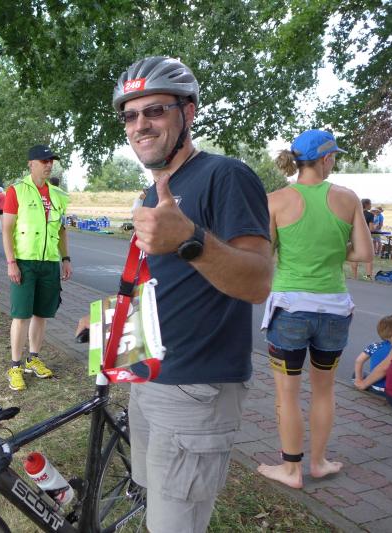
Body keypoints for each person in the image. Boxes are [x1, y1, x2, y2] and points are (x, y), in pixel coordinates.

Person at [113, 56, 274, 533]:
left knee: (174, 523)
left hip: (196, 389)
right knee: (153, 500)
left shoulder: (226, 176)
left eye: (155, 110)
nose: (140, 124)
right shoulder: (154, 192)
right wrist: (110, 319)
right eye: (130, 115)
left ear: (188, 112)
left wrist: (190, 240)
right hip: (150, 374)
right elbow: (162, 282)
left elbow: (259, 281)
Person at [256, 129, 373, 490]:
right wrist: (334, 252)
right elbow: (364, 253)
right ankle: (319, 463)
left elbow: (264, 254)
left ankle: (291, 470)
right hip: (335, 309)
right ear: (325, 159)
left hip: (289, 308)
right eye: (333, 156)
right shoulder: (348, 198)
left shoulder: (275, 200)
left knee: (287, 394)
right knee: (324, 391)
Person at [2, 144, 71, 391]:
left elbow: (61, 230)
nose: (48, 164)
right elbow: (6, 230)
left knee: (42, 314)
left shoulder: (59, 195)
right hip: (24, 262)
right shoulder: (16, 191)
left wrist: (65, 258)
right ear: (31, 164)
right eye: (43, 161)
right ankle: (15, 366)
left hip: (49, 263)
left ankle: (34, 359)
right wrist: (11, 262)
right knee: (21, 315)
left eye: (51, 161)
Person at [354, 314, 392, 394]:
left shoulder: (375, 346)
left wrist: (358, 379)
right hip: (391, 389)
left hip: (375, 387)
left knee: (357, 375)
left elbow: (359, 361)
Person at [350, 198, 375, 279]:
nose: (371, 206)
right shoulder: (370, 215)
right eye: (370, 204)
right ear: (367, 205)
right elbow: (371, 229)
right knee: (368, 258)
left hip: (354, 237)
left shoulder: (354, 213)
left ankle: (354, 276)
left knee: (354, 256)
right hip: (365, 238)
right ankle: (368, 276)